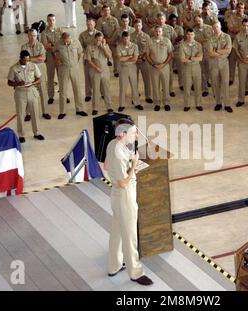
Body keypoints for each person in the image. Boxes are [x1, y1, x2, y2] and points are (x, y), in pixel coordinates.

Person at [104, 119, 153, 286]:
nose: (136, 135)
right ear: (122, 134)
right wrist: (133, 165)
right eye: (132, 132)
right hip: (125, 195)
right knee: (130, 235)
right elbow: (123, 183)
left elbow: (105, 165)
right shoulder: (118, 150)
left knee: (117, 232)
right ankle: (135, 272)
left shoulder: (113, 144)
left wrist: (129, 160)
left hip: (116, 196)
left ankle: (114, 266)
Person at [7, 50, 45, 143]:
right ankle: (21, 134)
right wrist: (17, 83)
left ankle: (37, 132)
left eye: (28, 60)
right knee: (21, 114)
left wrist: (33, 83)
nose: (27, 62)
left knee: (35, 113)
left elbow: (39, 78)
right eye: (25, 60)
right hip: (20, 92)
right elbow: (9, 82)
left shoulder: (33, 65)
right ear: (20, 59)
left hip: (31, 90)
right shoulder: (14, 68)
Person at [55, 32, 87, 119]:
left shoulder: (76, 42)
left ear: (70, 39)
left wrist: (75, 63)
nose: (66, 42)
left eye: (67, 41)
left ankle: (80, 109)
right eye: (64, 41)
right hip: (63, 69)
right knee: (63, 90)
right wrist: (58, 60)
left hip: (74, 68)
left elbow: (80, 53)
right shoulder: (58, 44)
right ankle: (62, 111)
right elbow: (55, 53)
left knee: (77, 89)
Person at [21, 29, 51, 120]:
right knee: (29, 92)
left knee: (43, 92)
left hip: (40, 73)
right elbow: (24, 60)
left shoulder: (41, 45)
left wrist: (30, 59)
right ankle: (28, 113)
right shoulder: (24, 47)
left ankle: (45, 112)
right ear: (28, 36)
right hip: (29, 73)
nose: (33, 37)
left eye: (34, 35)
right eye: (31, 35)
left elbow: (43, 58)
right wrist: (36, 58)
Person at [145, 25, 173, 111]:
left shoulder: (167, 41)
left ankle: (166, 102)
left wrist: (164, 64)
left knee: (165, 85)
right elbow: (147, 55)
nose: (158, 33)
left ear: (162, 32)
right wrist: (153, 64)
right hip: (154, 67)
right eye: (156, 31)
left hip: (164, 67)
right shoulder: (149, 41)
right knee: (155, 86)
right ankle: (157, 103)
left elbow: (170, 54)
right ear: (154, 32)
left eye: (159, 31)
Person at [207, 21, 233, 113]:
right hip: (214, 64)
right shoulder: (210, 39)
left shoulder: (227, 37)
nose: (216, 29)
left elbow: (229, 50)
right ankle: (218, 103)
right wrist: (222, 51)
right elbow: (210, 52)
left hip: (224, 64)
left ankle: (227, 104)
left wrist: (216, 51)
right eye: (214, 27)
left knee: (225, 84)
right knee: (215, 84)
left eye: (217, 27)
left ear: (220, 26)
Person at [85, 32, 114, 115]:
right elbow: (89, 60)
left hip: (105, 71)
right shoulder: (90, 47)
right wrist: (96, 68)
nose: (98, 42)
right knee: (96, 90)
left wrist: (103, 46)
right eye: (97, 40)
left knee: (106, 89)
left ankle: (109, 107)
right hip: (94, 71)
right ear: (95, 39)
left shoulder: (105, 46)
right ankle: (95, 108)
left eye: (100, 40)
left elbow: (109, 56)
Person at [40, 14, 63, 105]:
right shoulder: (44, 32)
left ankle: (63, 94)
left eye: (53, 20)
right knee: (50, 77)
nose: (51, 22)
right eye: (49, 20)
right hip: (49, 57)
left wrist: (52, 44)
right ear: (47, 21)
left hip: (59, 56)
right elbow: (45, 45)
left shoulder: (60, 30)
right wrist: (55, 45)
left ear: (55, 20)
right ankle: (51, 96)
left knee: (61, 76)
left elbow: (63, 42)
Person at [117, 31, 143, 111]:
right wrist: (129, 56)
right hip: (123, 68)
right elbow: (119, 59)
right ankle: (121, 105)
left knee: (134, 86)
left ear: (130, 38)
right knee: (122, 87)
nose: (126, 41)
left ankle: (137, 103)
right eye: (124, 39)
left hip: (132, 68)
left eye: (127, 39)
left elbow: (135, 59)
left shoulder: (134, 46)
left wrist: (125, 58)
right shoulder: (119, 46)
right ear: (122, 38)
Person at [179, 28, 203, 111]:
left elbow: (200, 58)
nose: (190, 36)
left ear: (194, 35)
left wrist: (188, 57)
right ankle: (187, 105)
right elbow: (182, 59)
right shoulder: (182, 45)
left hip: (197, 68)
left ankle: (198, 104)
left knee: (198, 87)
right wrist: (194, 58)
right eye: (188, 34)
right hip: (187, 68)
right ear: (186, 35)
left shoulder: (199, 45)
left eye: (192, 34)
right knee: (186, 88)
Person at [131, 18, 153, 104]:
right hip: (134, 61)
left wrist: (143, 58)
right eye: (136, 26)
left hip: (144, 60)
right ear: (133, 26)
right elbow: (129, 49)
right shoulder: (130, 36)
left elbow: (148, 49)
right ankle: (135, 98)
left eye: (139, 26)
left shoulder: (146, 36)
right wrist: (135, 58)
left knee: (147, 79)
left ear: (142, 26)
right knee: (134, 80)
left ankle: (148, 96)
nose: (138, 27)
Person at [79, 17, 100, 103]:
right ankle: (88, 94)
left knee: (99, 76)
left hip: (97, 58)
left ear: (94, 24)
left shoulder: (99, 33)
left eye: (91, 24)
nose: (89, 26)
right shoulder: (82, 35)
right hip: (87, 59)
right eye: (88, 24)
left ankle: (101, 93)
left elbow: (102, 45)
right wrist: (87, 52)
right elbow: (80, 47)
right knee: (87, 77)